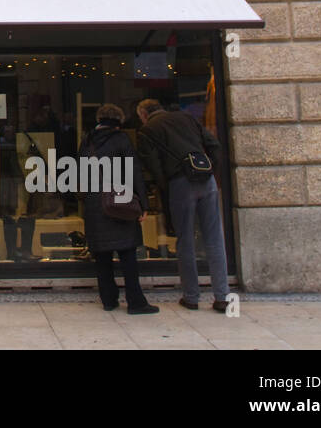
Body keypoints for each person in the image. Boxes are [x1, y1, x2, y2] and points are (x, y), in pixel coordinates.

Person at [135, 98, 231, 312]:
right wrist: (211, 171)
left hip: (179, 183)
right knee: (215, 238)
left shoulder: (147, 130)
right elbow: (214, 145)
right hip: (207, 180)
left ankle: (191, 296)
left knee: (185, 240)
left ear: (143, 115)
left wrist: (165, 190)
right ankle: (223, 296)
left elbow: (154, 167)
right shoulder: (187, 118)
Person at [79, 104, 158, 314]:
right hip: (119, 201)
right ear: (119, 121)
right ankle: (135, 301)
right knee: (128, 255)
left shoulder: (86, 142)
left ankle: (108, 300)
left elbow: (80, 177)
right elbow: (134, 173)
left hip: (95, 203)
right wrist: (143, 203)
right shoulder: (121, 140)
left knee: (102, 257)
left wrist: (85, 202)